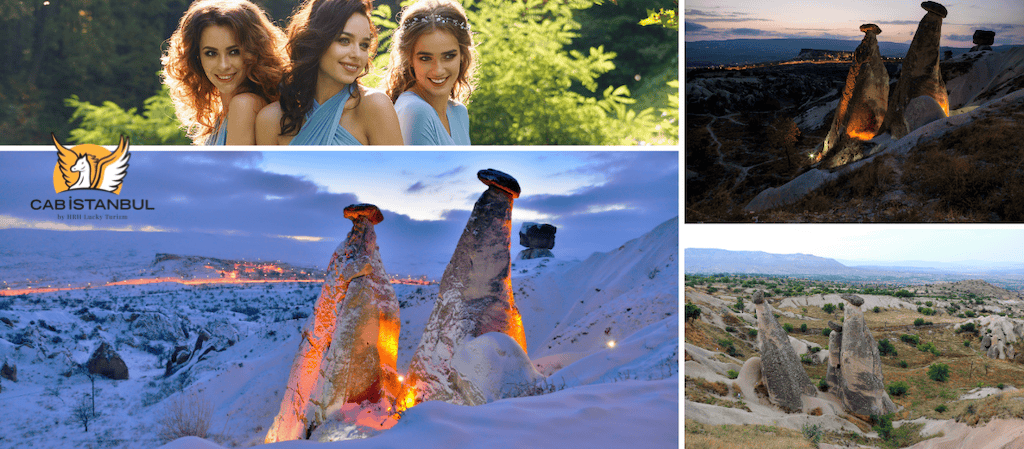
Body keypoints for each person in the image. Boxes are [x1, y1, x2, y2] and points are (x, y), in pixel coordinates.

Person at [256, 0, 402, 145]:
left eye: (364, 45)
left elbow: (401, 169)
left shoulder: (375, 106)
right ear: (316, 41)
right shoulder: (271, 120)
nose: (357, 54)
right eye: (344, 40)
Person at [162, 0, 287, 145]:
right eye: (211, 53)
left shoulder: (244, 105)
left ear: (254, 51)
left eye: (234, 52)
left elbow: (232, 168)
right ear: (197, 58)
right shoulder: (223, 113)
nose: (223, 65)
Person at [383, 0, 475, 145]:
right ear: (409, 58)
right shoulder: (415, 111)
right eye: (425, 58)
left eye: (449, 56)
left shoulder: (458, 113)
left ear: (462, 55)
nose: (438, 70)